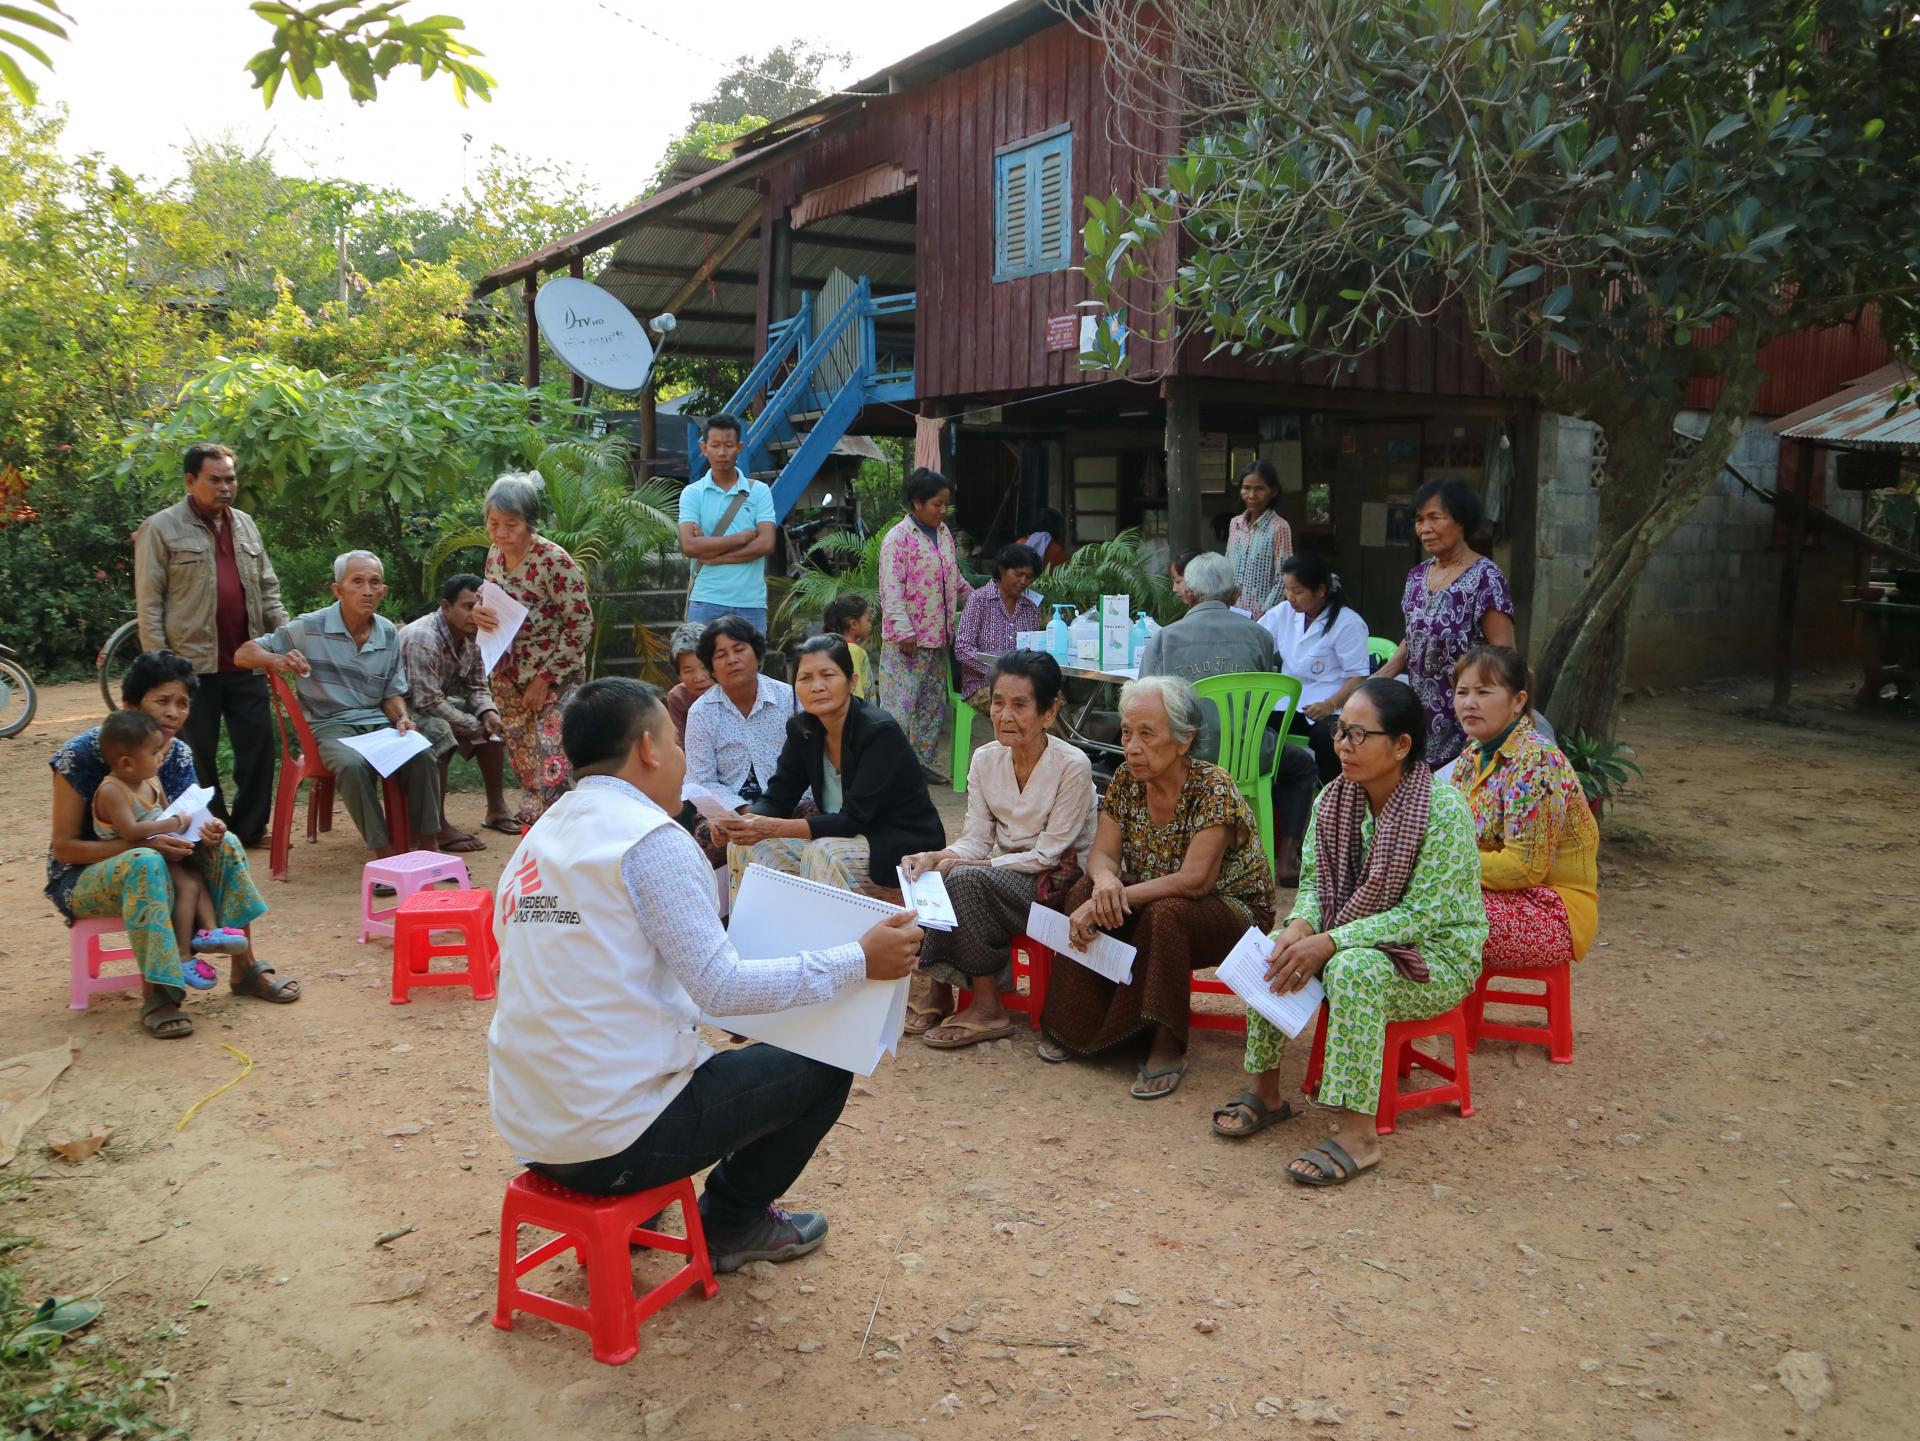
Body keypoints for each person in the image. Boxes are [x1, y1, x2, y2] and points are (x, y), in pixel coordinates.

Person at [485, 677, 924, 1273]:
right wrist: (859, 960)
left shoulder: (541, 839)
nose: (682, 758)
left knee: (708, 1053)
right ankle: (731, 1221)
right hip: (613, 1139)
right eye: (676, 740)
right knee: (827, 1063)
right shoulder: (651, 841)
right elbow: (721, 988)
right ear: (648, 748)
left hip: (532, 1129)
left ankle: (640, 1213)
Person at [1214, 679, 1485, 1187]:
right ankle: (1266, 1091)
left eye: (1359, 735)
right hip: (1354, 934)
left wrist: (1332, 941)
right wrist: (1302, 924)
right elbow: (1315, 885)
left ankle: (1360, 1136)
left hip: (1436, 957)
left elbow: (1421, 916)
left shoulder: (1443, 811)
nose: (1343, 745)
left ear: (1401, 745)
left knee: (1352, 969)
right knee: (1277, 945)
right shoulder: (1333, 800)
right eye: (1341, 732)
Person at [1037, 676, 1276, 1099]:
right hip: (1155, 893)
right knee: (1082, 892)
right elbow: (1101, 856)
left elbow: (1195, 881)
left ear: (1184, 741)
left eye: (1147, 734)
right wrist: (1106, 881)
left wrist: (1116, 897)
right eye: (1127, 733)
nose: (1131, 746)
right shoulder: (1127, 781)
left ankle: (1166, 1045)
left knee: (1166, 914)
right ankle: (1080, 1026)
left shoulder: (1212, 787)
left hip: (1230, 909)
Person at [46, 651, 295, 1038]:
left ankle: (243, 967)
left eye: (182, 703)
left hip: (159, 861)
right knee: (145, 861)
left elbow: (183, 821)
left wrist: (207, 831)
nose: (175, 713)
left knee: (225, 842)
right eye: (162, 701)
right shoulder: (80, 756)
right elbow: (65, 849)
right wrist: (150, 848)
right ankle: (161, 992)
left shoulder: (176, 753)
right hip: (81, 879)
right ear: (131, 705)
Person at [900, 651, 1097, 1047]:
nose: (1005, 715)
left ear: (1048, 711)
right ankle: (940, 987)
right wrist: (935, 857)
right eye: (998, 702)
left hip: (1057, 883)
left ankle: (988, 1007)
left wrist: (976, 864)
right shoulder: (985, 759)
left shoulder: (1071, 764)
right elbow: (974, 837)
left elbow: (1050, 855)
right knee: (933, 873)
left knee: (968, 879)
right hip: (1006, 878)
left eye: (1020, 705)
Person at [236, 550, 442, 857]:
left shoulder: (387, 632)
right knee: (352, 764)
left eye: (375, 583)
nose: (368, 590)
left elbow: (391, 693)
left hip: (377, 725)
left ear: (383, 591)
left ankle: (429, 848)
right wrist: (278, 659)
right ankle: (384, 855)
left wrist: (401, 717)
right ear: (338, 589)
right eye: (357, 582)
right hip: (330, 727)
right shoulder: (309, 627)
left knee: (422, 753)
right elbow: (243, 654)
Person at [134, 442, 288, 847]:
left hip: (248, 659)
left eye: (230, 479)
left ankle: (252, 830)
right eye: (214, 479)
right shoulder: (161, 528)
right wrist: (161, 668)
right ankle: (213, 830)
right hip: (190, 666)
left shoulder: (246, 525)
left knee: (257, 748)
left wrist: (285, 638)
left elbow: (269, 591)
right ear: (190, 481)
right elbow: (150, 603)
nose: (225, 487)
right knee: (197, 754)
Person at [719, 636, 945, 900]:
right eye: (805, 679)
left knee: (823, 852)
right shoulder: (802, 729)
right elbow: (778, 797)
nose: (817, 687)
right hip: (841, 839)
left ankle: (838, 941)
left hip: (896, 843)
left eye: (827, 675)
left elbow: (853, 820)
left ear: (851, 682)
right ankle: (754, 938)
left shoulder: (879, 732)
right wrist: (744, 824)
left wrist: (772, 827)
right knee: (746, 847)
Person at [1450, 646, 1599, 969]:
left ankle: (1433, 1018)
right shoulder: (1470, 757)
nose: (1469, 702)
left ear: (1518, 701)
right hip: (1490, 897)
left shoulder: (1537, 761)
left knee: (1425, 916)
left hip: (1551, 911)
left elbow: (1524, 867)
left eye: (1484, 692)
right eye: (1462, 692)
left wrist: (1446, 866)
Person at [473, 473, 593, 827]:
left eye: (511, 524)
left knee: (553, 761)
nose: (501, 533)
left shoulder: (553, 560)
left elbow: (580, 623)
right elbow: (491, 597)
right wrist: (480, 610)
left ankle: (563, 839)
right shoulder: (494, 555)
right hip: (508, 674)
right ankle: (534, 842)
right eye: (494, 523)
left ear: (529, 523)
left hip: (555, 676)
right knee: (525, 762)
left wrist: (546, 677)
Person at [90, 709, 243, 983]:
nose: (162, 756)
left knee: (196, 875)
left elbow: (164, 813)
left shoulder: (150, 779)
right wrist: (172, 824)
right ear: (126, 764)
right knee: (186, 887)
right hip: (132, 857)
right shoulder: (112, 790)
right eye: (154, 752)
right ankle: (183, 957)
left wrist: (197, 827)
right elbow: (131, 831)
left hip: (158, 846)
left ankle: (209, 931)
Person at [1375, 477, 1515, 770]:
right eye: (1419, 520)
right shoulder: (1416, 576)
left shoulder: (1486, 578)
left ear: (1461, 520)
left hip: (1466, 717)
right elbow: (1415, 633)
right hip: (1418, 718)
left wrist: (1489, 724)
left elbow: (1506, 657)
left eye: (1435, 518)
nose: (1424, 529)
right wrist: (1382, 675)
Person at [1259, 551, 1372, 884]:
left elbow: (1357, 677)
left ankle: (1334, 813)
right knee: (1258, 734)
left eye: (1298, 591)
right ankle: (1279, 811)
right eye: (1287, 590)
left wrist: (1330, 702)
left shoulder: (1347, 623)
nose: (1290, 598)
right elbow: (1257, 637)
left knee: (1329, 739)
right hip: (1289, 704)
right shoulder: (1283, 614)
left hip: (1333, 705)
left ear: (1321, 590)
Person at [400, 573, 514, 851]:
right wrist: (471, 724)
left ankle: (496, 809)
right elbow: (426, 702)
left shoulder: (474, 634)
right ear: (445, 606)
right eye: (467, 606)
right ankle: (436, 826)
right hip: (400, 713)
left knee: (491, 726)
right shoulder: (422, 638)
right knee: (441, 731)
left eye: (480, 606)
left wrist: (488, 713)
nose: (475, 613)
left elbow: (476, 685)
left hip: (431, 706)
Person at [1136, 551, 1277, 762]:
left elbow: (1143, 703)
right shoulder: (1261, 636)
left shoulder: (1164, 639)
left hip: (1183, 757)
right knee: (1301, 766)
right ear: (1234, 594)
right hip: (1248, 757)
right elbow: (1265, 698)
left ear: (1189, 594)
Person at [684, 617, 796, 870]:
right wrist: (740, 812)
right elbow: (701, 780)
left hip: (791, 803)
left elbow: (808, 764)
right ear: (711, 667)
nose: (732, 659)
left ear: (756, 655)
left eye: (739, 649)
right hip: (729, 810)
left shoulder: (789, 698)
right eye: (721, 654)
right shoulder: (701, 712)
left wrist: (768, 816)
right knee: (704, 845)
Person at [878, 467, 965, 777]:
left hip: (939, 639)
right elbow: (891, 589)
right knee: (898, 710)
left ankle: (922, 766)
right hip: (907, 643)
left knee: (930, 707)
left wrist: (984, 596)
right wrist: (904, 632)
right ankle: (889, 769)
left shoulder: (943, 534)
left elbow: (954, 580)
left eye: (946, 505)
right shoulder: (897, 539)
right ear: (917, 502)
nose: (943, 511)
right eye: (936, 504)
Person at [678, 413, 776, 634]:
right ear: (704, 448)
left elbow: (767, 544)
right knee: (702, 668)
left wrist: (713, 553)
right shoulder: (692, 493)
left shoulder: (759, 491)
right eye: (715, 445)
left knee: (750, 669)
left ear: (739, 447)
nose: (722, 452)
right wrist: (739, 539)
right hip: (705, 599)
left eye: (729, 445)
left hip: (751, 602)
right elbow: (690, 547)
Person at [952, 543, 1043, 712]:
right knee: (1028, 708)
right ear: (1002, 569)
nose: (1024, 581)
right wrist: (1000, 673)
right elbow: (962, 649)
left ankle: (1060, 738)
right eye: (1018, 574)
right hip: (982, 684)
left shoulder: (1030, 609)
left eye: (1029, 577)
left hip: (1024, 683)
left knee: (1053, 701)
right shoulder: (978, 600)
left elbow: (1034, 653)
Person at [1225, 459, 1294, 619]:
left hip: (1263, 618)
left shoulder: (1279, 527)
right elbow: (1227, 566)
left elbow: (1284, 578)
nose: (1251, 495)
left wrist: (1265, 614)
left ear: (1273, 491)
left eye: (1259, 489)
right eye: (1246, 488)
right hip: (1232, 613)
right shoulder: (1235, 524)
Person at [663, 621, 716, 742]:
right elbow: (679, 744)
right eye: (688, 671)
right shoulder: (678, 698)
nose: (699, 678)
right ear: (679, 675)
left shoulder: (732, 690)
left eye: (705, 667)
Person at [822, 593, 875, 700]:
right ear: (853, 624)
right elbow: (856, 691)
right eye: (868, 620)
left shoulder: (828, 649)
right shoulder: (852, 651)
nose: (870, 624)